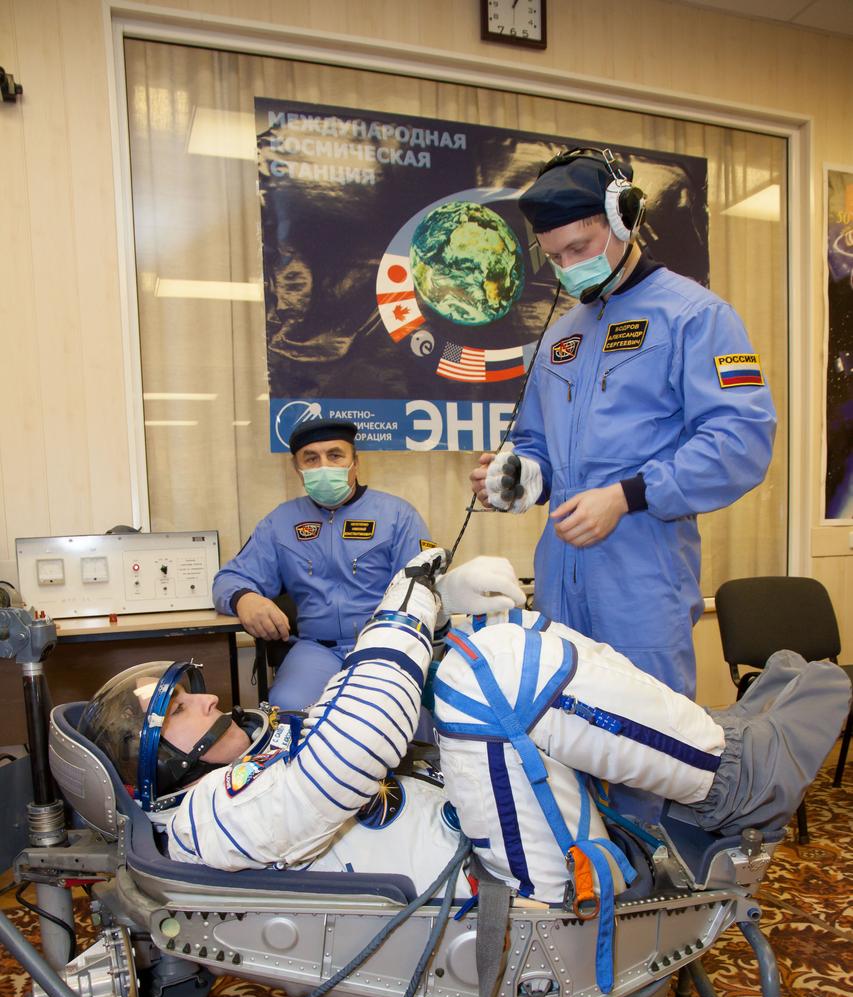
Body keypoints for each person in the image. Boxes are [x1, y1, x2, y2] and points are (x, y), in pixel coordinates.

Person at [80, 553, 850, 927]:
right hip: (522, 916)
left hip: (497, 858)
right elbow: (355, 747)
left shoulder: (250, 760)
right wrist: (404, 609)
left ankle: (716, 746)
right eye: (183, 707)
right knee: (494, 677)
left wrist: (443, 613)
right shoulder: (209, 816)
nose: (211, 696)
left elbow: (358, 706)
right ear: (162, 758)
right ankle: (733, 776)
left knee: (489, 640)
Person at [470, 148, 777, 702]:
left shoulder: (695, 316)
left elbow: (739, 442)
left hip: (642, 585)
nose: (568, 267)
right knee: (564, 755)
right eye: (554, 256)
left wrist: (627, 495)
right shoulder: (562, 336)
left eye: (580, 248)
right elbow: (539, 444)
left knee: (644, 754)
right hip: (559, 585)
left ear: (624, 219)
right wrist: (518, 476)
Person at [213, 417, 434, 710]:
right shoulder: (281, 522)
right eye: (311, 458)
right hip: (316, 649)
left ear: (355, 462)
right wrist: (245, 599)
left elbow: (424, 586)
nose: (324, 466)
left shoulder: (398, 516)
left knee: (395, 711)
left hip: (382, 642)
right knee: (289, 706)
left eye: (335, 455)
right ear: (298, 469)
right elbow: (228, 578)